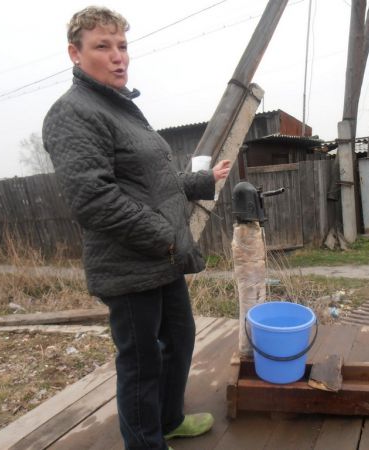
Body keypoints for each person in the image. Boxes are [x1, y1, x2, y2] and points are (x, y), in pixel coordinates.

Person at [42, 6, 231, 450]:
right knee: (144, 361)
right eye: (102, 47)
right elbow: (94, 199)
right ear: (75, 53)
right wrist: (165, 237)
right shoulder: (74, 113)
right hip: (131, 265)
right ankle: (145, 442)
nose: (117, 57)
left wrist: (204, 181)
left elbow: (153, 182)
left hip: (161, 260)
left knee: (180, 340)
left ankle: (167, 420)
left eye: (122, 46)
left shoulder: (123, 109)